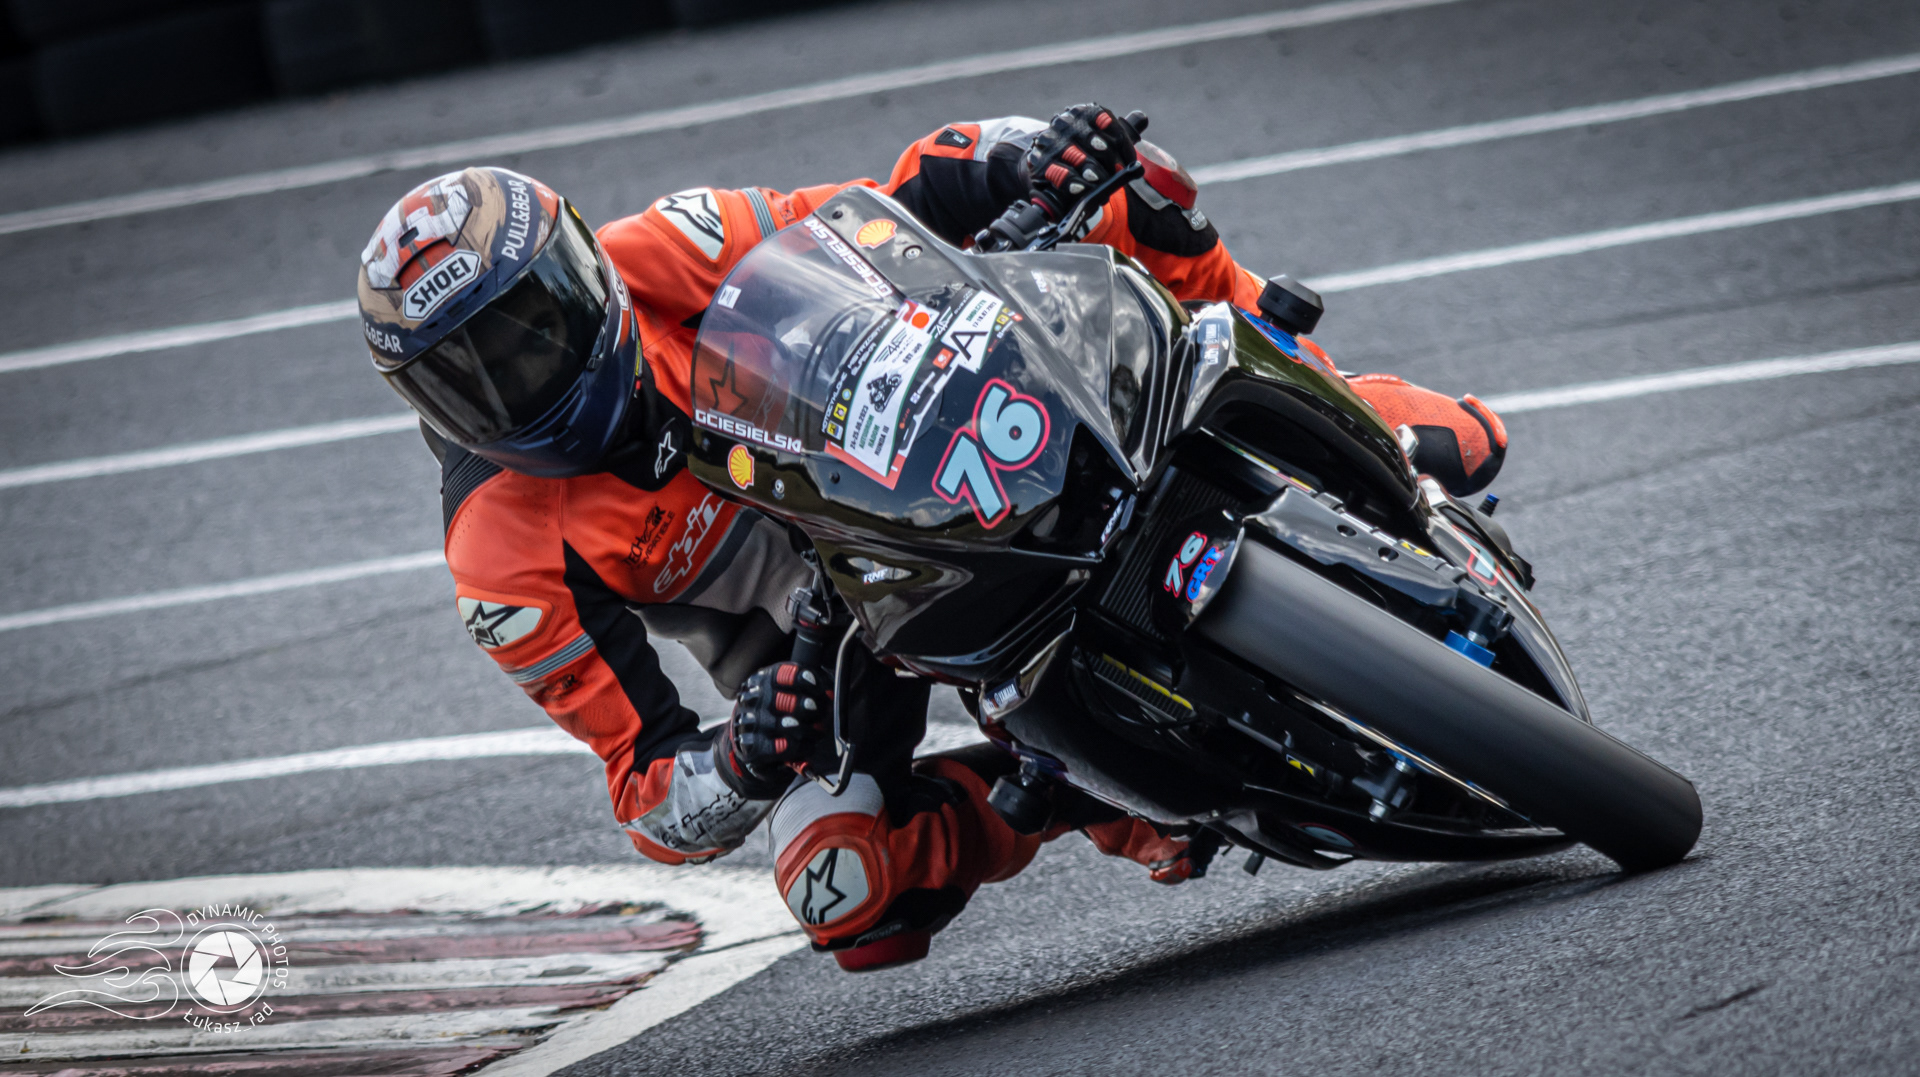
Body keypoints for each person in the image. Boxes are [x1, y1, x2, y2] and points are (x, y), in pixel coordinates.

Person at [354, 105, 1508, 972]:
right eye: (475, 377)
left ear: (580, 271)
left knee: (1126, 179)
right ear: (428, 406)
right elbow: (650, 795)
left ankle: (1323, 391)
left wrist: (1020, 169)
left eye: (535, 325)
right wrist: (745, 752)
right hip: (812, 639)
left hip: (898, 452)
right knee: (843, 895)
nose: (526, 374)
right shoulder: (500, 562)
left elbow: (873, 217)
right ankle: (1080, 785)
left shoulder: (665, 248)